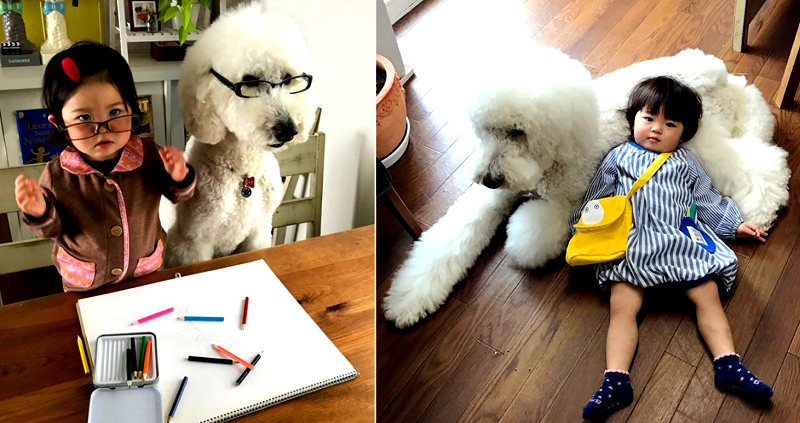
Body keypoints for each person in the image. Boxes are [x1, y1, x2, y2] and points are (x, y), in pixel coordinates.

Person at [569, 76, 773, 421]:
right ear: (633, 118)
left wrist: (733, 225)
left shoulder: (685, 162)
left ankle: (728, 363)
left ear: (684, 133)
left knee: (706, 293)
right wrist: (580, 228)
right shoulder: (618, 156)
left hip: (680, 240)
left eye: (670, 124)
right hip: (632, 244)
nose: (656, 129)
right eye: (648, 119)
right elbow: (596, 197)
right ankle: (615, 379)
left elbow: (705, 199)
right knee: (623, 306)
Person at [13, 41, 195, 292]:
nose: (103, 129)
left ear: (132, 107)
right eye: (84, 118)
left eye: (115, 112)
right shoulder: (57, 175)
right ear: (58, 123)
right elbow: (51, 230)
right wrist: (39, 211)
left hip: (144, 274)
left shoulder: (149, 155)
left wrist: (180, 177)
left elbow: (180, 195)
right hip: (86, 284)